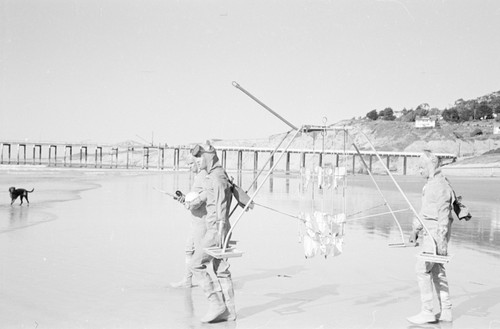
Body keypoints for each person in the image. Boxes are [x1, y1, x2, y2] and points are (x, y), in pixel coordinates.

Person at [189, 143, 236, 323]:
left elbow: (222, 206)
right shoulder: (215, 175)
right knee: (221, 269)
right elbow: (208, 197)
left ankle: (216, 303)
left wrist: (221, 231)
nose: (198, 161)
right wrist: (192, 201)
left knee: (195, 264)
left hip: (216, 229)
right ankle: (230, 311)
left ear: (208, 157)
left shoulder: (217, 178)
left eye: (200, 157)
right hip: (218, 229)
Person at [407, 150, 455, 324]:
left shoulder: (440, 185)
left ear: (430, 166)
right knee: (437, 270)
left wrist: (441, 242)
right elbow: (425, 211)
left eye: (421, 167)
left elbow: (443, 215)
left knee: (422, 269)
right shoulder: (432, 183)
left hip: (435, 233)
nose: (419, 170)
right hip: (430, 230)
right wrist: (415, 230)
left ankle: (427, 310)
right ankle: (446, 311)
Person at [170, 155, 208, 288]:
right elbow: (196, 198)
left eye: (191, 164)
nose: (189, 168)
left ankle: (206, 284)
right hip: (196, 219)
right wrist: (185, 199)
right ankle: (187, 280)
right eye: (187, 165)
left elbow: (205, 195)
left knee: (200, 252)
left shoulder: (203, 176)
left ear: (199, 162)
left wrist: (189, 203)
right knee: (189, 249)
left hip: (202, 221)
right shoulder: (199, 176)